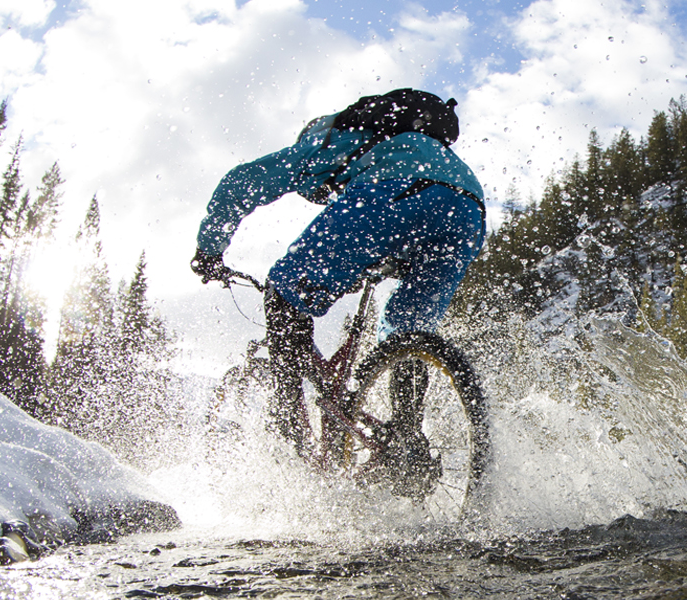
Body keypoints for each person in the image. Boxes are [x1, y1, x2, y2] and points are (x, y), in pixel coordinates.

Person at [189, 89, 485, 479]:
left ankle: (289, 433)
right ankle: (406, 443)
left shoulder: (325, 140)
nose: (322, 195)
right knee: (407, 329)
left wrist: (209, 250)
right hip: (468, 209)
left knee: (284, 292)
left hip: (395, 191)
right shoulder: (410, 144)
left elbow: (243, 182)